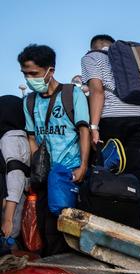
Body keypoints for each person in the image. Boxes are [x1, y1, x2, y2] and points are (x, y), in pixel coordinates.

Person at [19, 44, 91, 255]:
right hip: (44, 175)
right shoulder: (29, 101)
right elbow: (31, 137)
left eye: (34, 73)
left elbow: (84, 131)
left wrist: (83, 166)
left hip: (69, 173)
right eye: (25, 74)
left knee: (66, 228)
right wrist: (36, 166)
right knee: (44, 227)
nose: (29, 79)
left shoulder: (71, 94)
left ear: (50, 71)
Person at [81, 34, 140, 230]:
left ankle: (106, 227)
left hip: (114, 118)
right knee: (136, 178)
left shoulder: (92, 57)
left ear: (94, 46)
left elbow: (97, 91)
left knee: (108, 174)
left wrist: (94, 127)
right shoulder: (134, 57)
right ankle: (135, 230)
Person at [0, 96, 31, 240]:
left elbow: (15, 176)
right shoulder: (24, 139)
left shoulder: (9, 139)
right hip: (20, 201)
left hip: (11, 208)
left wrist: (7, 219)